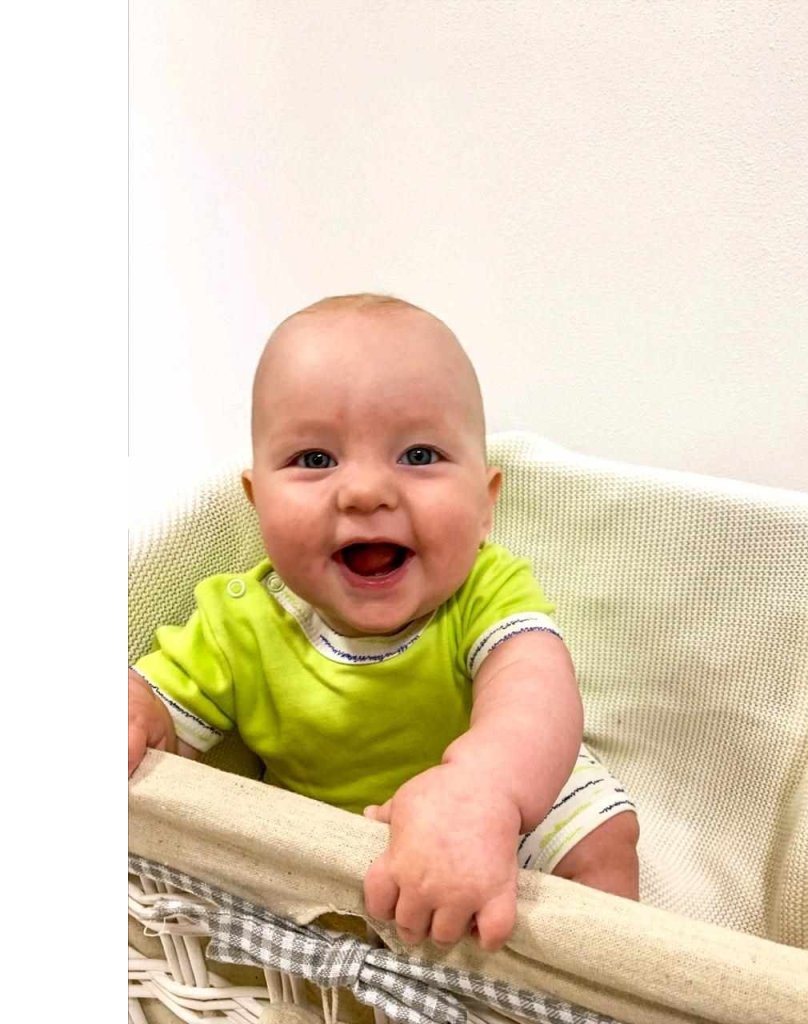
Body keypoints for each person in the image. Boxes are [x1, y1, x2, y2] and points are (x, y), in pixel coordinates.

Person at [128, 293, 640, 951]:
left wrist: (486, 789)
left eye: (419, 455)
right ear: (257, 503)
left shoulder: (485, 591)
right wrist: (137, 711)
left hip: (506, 795)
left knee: (603, 837)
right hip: (337, 831)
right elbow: (160, 710)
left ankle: (584, 989)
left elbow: (534, 692)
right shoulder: (238, 622)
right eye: (316, 459)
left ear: (484, 507)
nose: (366, 491)